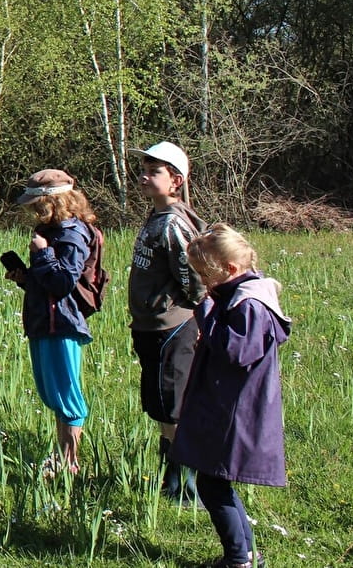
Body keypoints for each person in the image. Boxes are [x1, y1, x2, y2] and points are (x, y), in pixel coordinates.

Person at [172, 224, 289, 568]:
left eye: (207, 276)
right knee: (215, 480)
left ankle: (239, 558)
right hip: (226, 405)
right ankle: (246, 555)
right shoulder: (238, 297)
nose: (205, 284)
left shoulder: (250, 304)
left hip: (234, 411)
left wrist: (206, 316)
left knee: (212, 483)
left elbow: (237, 352)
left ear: (231, 270)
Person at [127, 141, 206, 503]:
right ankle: (172, 480)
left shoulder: (173, 223)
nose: (143, 175)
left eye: (153, 170)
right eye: (143, 168)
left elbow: (194, 278)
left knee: (173, 406)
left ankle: (188, 485)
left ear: (175, 180)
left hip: (171, 327)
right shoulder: (157, 217)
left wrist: (195, 315)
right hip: (152, 327)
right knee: (161, 404)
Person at [8, 169, 98, 474]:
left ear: (53, 201)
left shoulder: (72, 235)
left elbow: (62, 284)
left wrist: (44, 256)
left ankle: (70, 463)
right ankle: (62, 458)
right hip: (45, 323)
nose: (33, 211)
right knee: (54, 394)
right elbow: (48, 285)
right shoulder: (53, 232)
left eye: (37, 204)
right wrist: (26, 277)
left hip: (62, 324)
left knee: (67, 396)